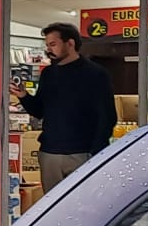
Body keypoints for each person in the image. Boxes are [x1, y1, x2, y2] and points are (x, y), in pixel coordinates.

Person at [18, 23, 116, 191]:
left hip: (83, 153)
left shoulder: (96, 74)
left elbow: (107, 116)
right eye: (47, 45)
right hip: (50, 153)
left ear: (70, 43)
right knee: (52, 203)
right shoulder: (48, 74)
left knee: (84, 201)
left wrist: (96, 152)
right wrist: (23, 96)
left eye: (53, 44)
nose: (48, 49)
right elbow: (39, 111)